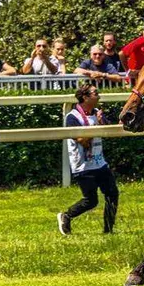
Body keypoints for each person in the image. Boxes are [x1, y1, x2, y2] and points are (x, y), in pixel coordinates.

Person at [57, 84, 119, 235]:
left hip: (100, 163)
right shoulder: (72, 117)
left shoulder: (97, 112)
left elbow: (108, 131)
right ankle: (66, 216)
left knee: (112, 194)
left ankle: (108, 230)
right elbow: (83, 141)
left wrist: (103, 123)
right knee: (91, 201)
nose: (99, 96)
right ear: (85, 97)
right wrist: (96, 125)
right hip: (83, 166)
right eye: (95, 93)